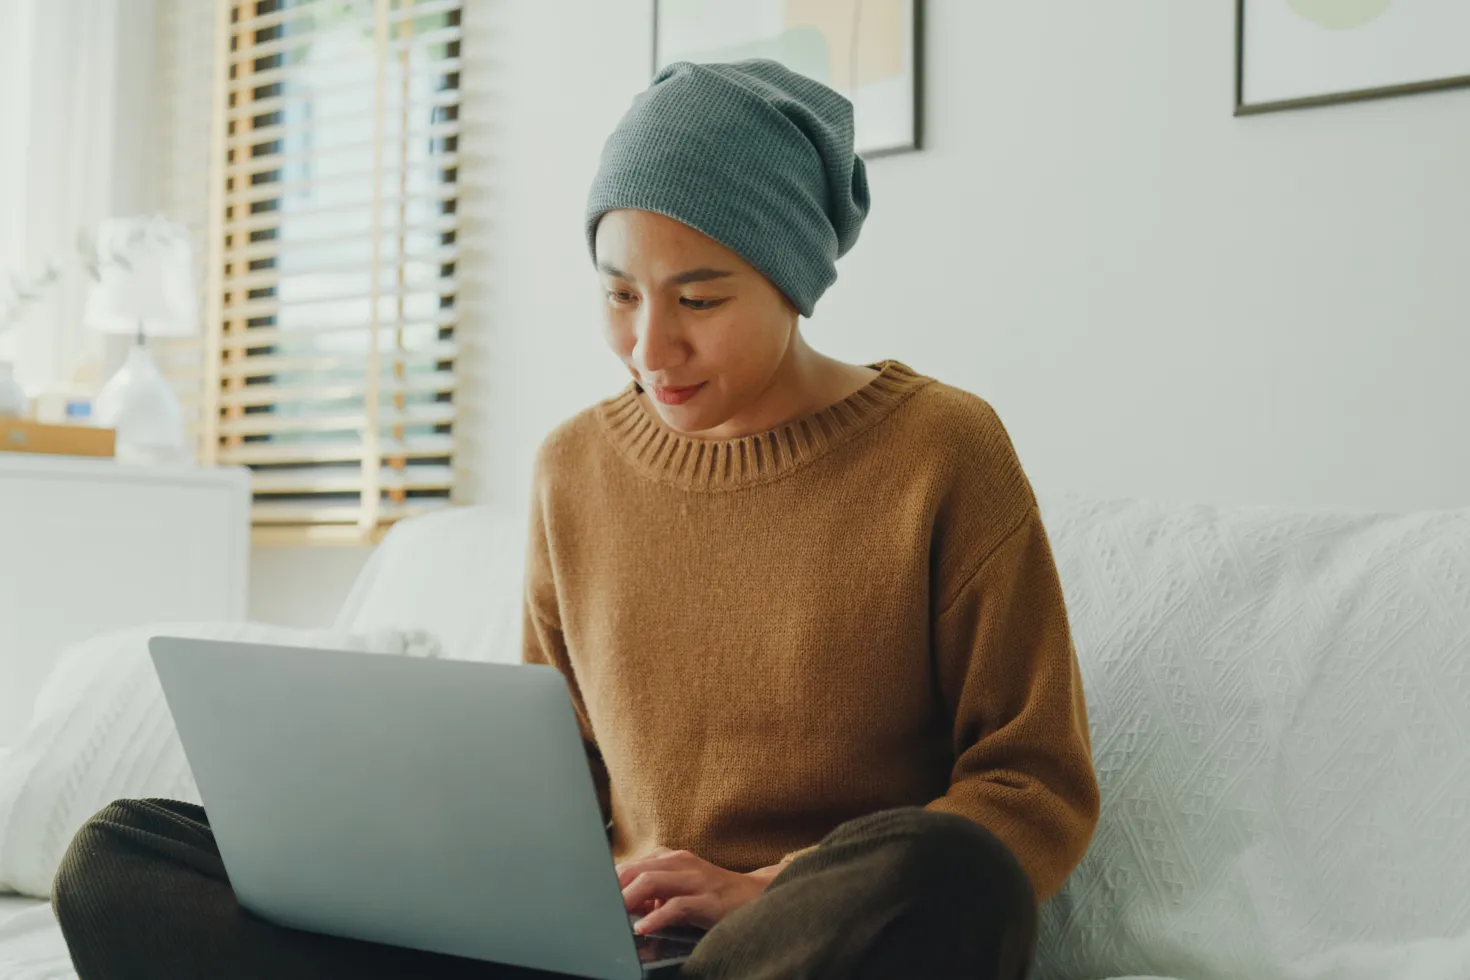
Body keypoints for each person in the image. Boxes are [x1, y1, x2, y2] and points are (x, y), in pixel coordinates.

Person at [52, 60, 1099, 980]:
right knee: (123, 859)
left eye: (699, 298)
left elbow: (1033, 779)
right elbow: (556, 781)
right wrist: (559, 890)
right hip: (595, 944)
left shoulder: (941, 450)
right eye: (618, 294)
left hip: (789, 941)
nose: (651, 346)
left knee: (951, 875)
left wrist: (768, 889)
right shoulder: (574, 469)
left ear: (793, 276)